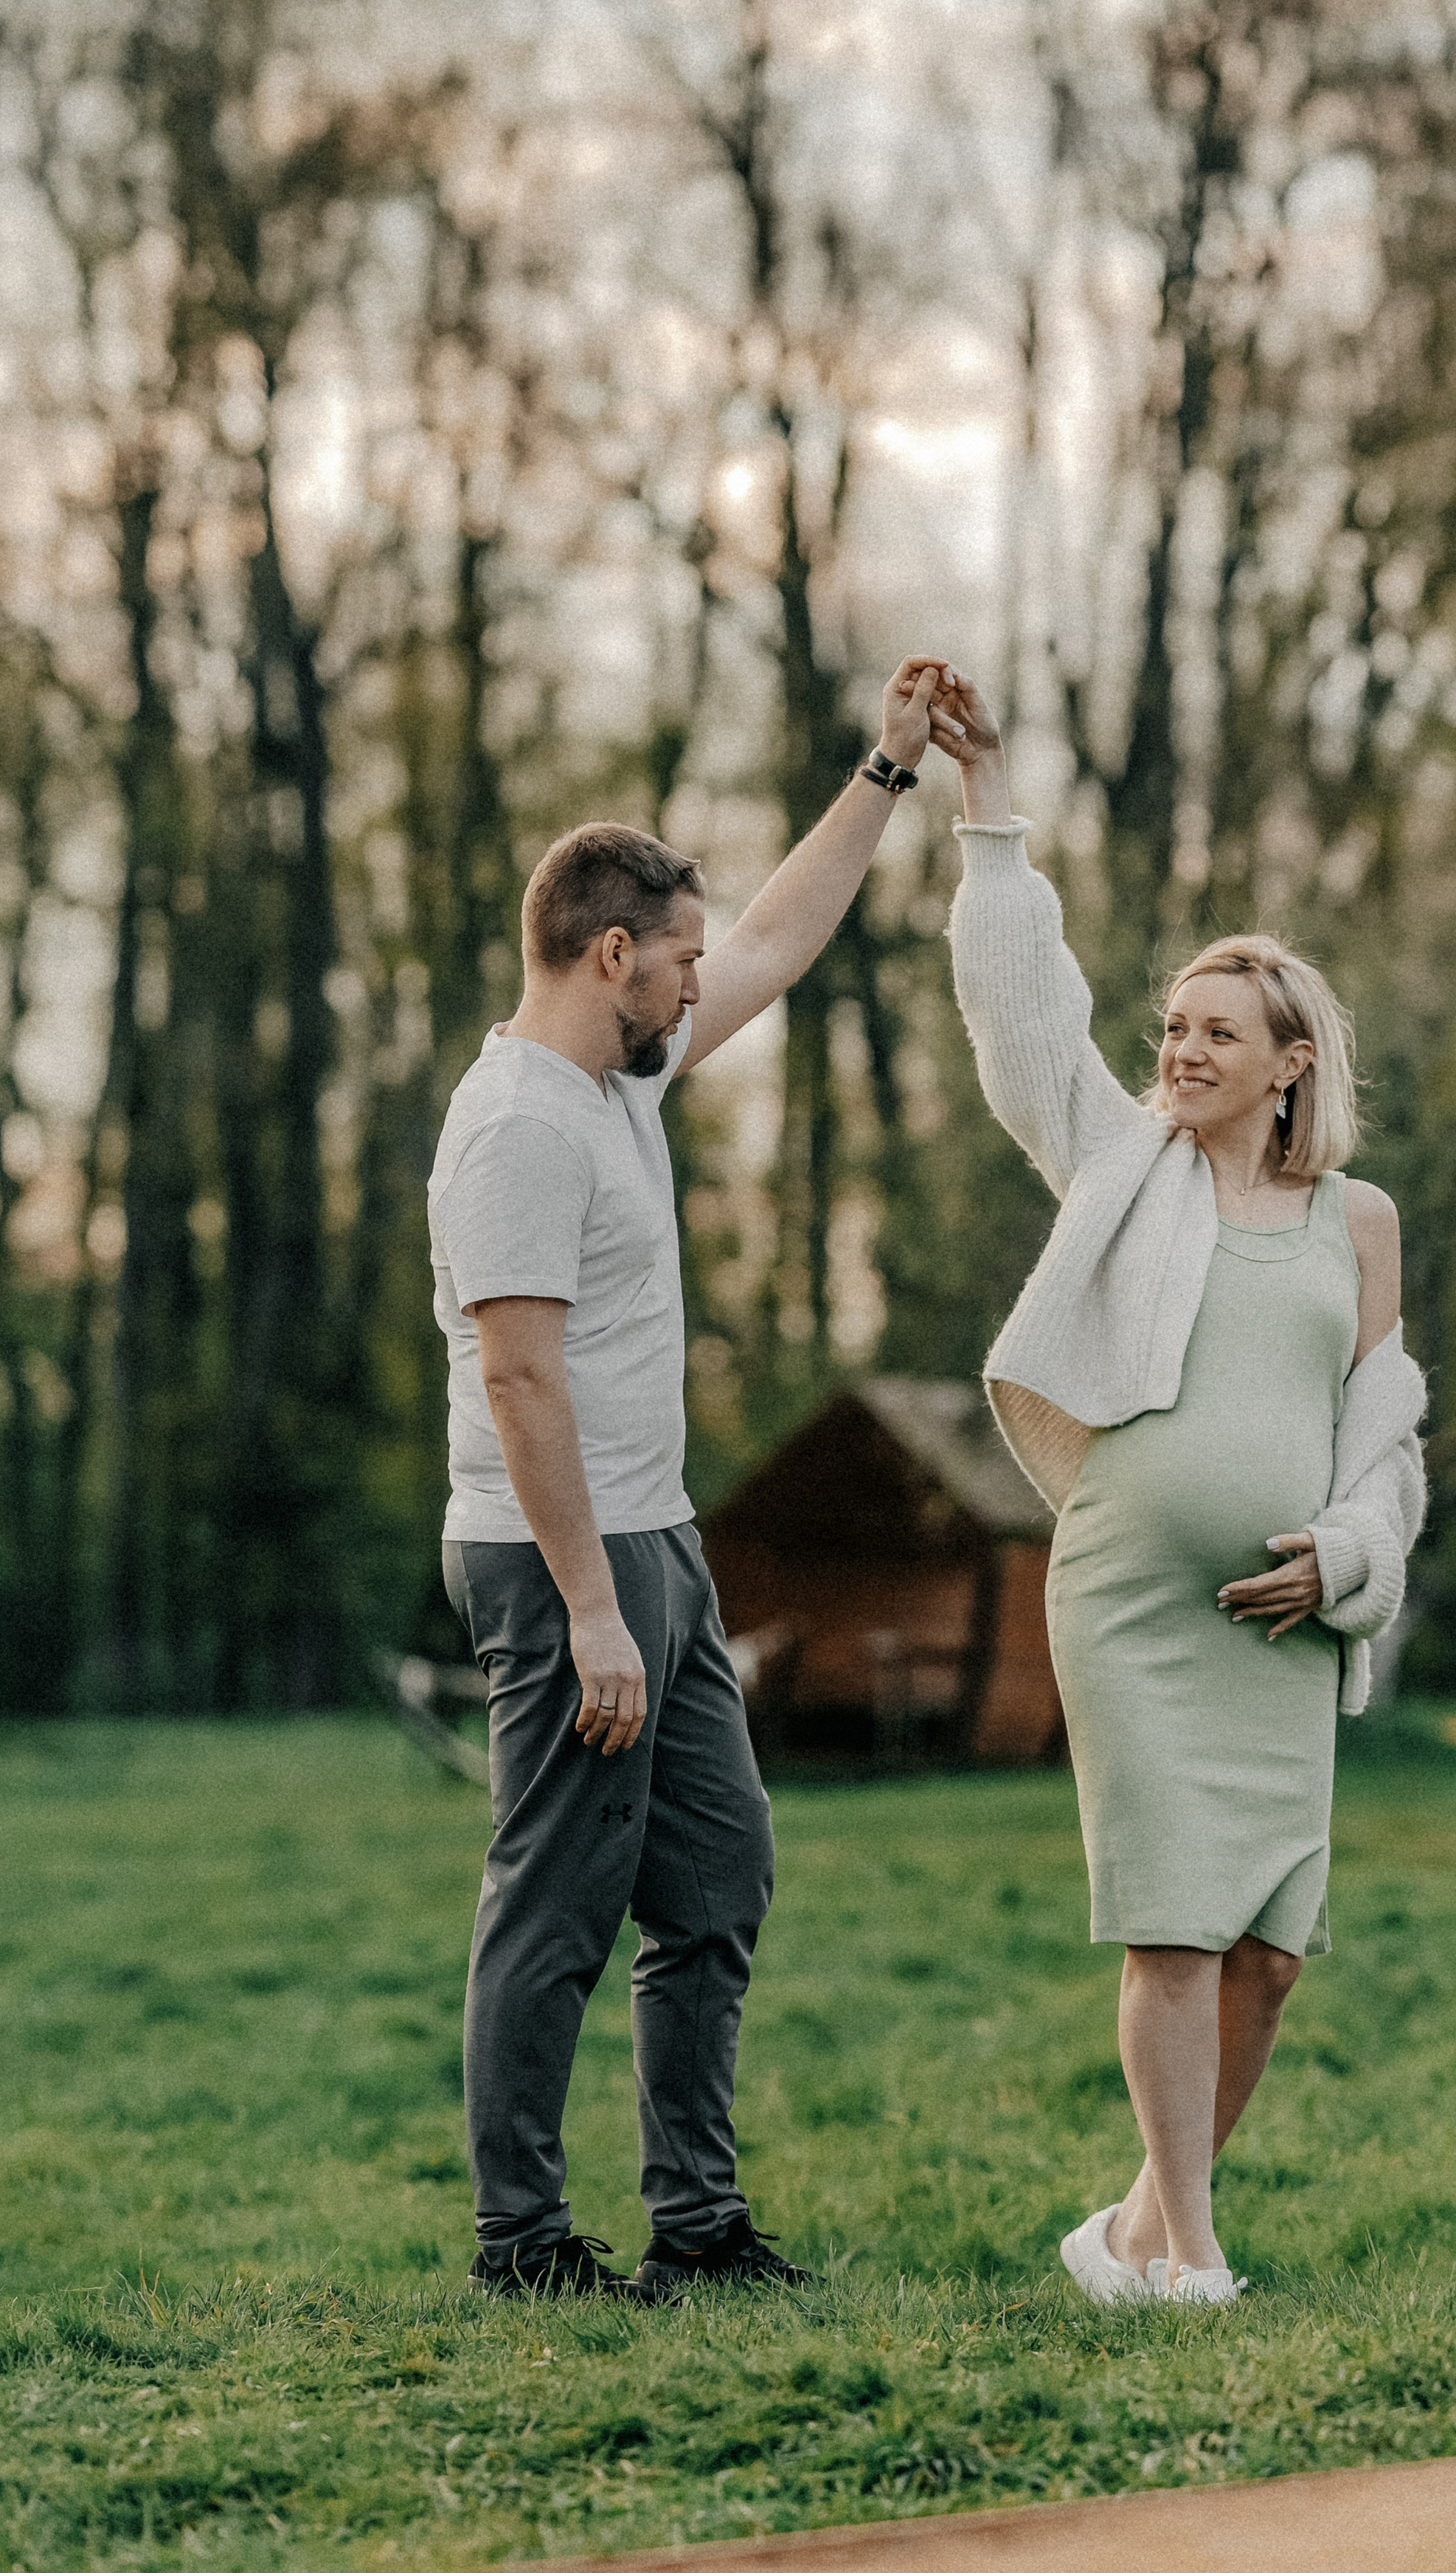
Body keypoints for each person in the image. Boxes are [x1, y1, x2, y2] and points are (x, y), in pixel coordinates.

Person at [429, 657, 958, 2302]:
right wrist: (592, 1610)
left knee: (716, 1881)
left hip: (656, 1544)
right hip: (555, 1559)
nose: (694, 982)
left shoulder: (624, 1077)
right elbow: (517, 1379)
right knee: (556, 1903)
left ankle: (699, 2227)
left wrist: (885, 770)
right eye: (674, 959)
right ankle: (523, 2243)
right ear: (610, 955)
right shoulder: (518, 1127)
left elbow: (781, 941)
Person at [932, 668, 1426, 2307]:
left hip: (1281, 1630)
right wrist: (987, 806)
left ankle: (1138, 2230)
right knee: (1172, 1930)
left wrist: (1348, 1561)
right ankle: (1193, 2257)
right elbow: (1024, 1021)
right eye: (1174, 1029)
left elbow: (1386, 1432)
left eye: (1218, 1031)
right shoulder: (1123, 1165)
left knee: (1266, 1954)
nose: (1183, 1050)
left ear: (1290, 1063)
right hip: (1138, 1602)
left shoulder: (1358, 1220)